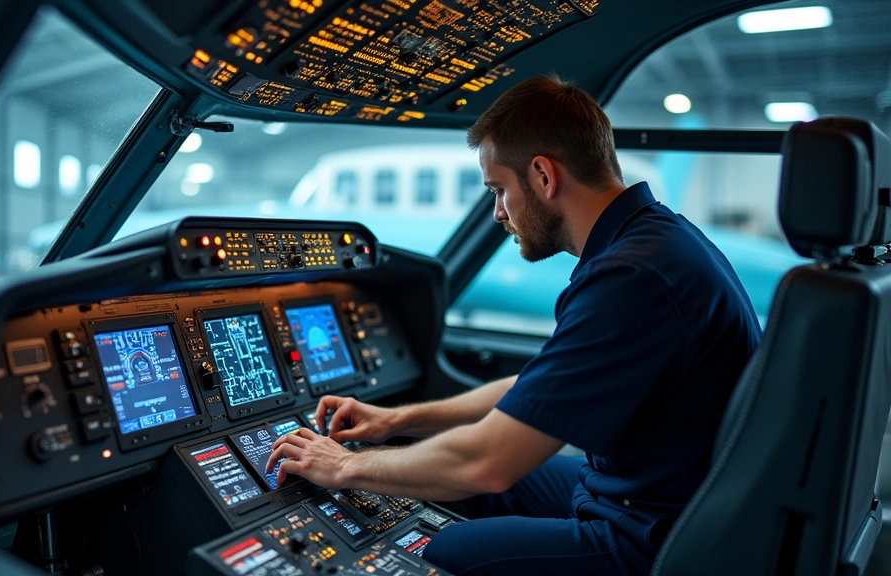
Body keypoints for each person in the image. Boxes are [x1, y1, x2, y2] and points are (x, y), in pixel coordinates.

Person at [266, 75, 762, 575]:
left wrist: (345, 465)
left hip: (658, 536)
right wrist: (397, 421)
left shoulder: (630, 277)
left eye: (499, 190)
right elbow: (538, 387)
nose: (499, 212)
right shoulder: (658, 237)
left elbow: (486, 464)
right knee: (478, 491)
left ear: (544, 176)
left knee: (444, 552)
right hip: (655, 491)